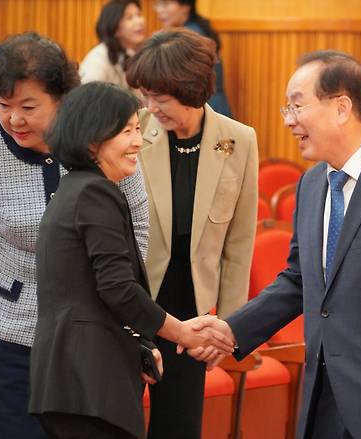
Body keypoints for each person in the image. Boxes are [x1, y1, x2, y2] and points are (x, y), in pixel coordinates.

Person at [193, 50, 361, 439]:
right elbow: (299, 280)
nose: (289, 121)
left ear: (341, 107)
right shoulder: (311, 185)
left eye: (297, 106)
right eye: (286, 108)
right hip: (322, 400)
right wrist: (231, 330)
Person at [0, 32, 148, 439]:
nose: (14, 119)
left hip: (90, 329)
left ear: (63, 99)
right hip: (7, 329)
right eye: (3, 106)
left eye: (29, 107)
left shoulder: (104, 141)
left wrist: (135, 326)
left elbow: (136, 235)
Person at [29, 81, 235, 439]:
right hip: (86, 382)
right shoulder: (94, 192)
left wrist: (141, 343)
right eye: (126, 131)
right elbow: (117, 288)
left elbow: (94, 290)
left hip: (77, 381)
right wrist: (180, 331)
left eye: (138, 129)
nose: (138, 141)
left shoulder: (79, 188)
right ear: (93, 140)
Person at [126, 28, 258, 439]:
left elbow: (239, 244)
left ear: (190, 89)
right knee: (119, 420)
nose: (150, 106)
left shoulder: (239, 140)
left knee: (178, 427)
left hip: (193, 317)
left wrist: (226, 332)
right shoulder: (132, 130)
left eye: (159, 97)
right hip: (133, 302)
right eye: (145, 94)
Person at [153, 0, 232, 118]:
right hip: (210, 104)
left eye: (165, 4)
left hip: (203, 107)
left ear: (185, 6)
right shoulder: (194, 29)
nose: (159, 10)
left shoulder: (190, 37)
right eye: (157, 4)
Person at [79, 0, 145, 89]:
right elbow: (88, 97)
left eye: (139, 15)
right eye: (129, 18)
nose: (139, 21)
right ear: (114, 27)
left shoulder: (131, 54)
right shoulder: (97, 59)